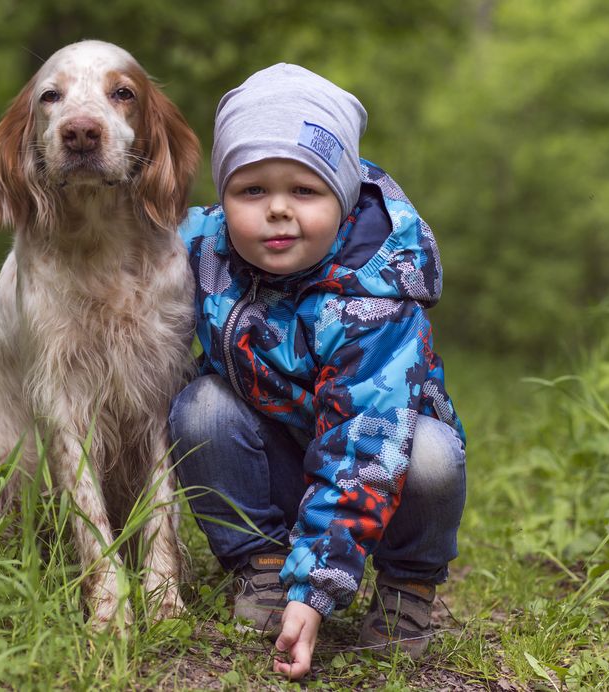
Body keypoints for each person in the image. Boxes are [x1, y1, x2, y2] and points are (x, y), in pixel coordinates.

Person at [170, 63, 467, 680]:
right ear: (223, 197)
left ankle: (408, 584)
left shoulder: (374, 295)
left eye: (305, 191)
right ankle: (260, 564)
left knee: (433, 455)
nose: (278, 210)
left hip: (380, 474)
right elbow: (124, 245)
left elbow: (365, 447)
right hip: (277, 463)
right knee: (202, 408)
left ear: (345, 196)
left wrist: (317, 590)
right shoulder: (203, 250)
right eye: (252, 190)